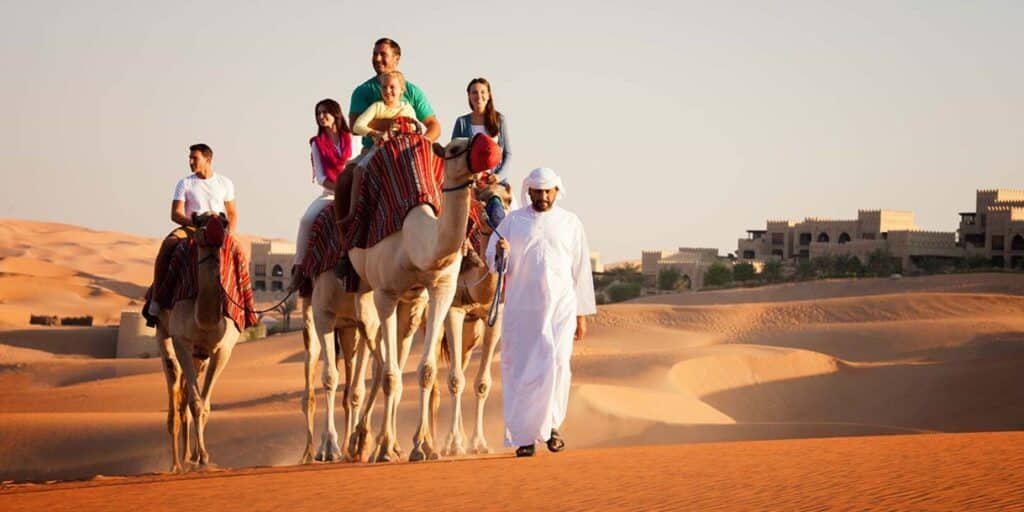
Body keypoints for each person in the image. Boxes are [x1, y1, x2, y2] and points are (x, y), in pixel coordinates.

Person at [484, 167, 596, 457]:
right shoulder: (512, 222)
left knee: (558, 365)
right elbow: (493, 262)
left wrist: (581, 315)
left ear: (557, 192)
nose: (543, 196)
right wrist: (501, 252)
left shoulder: (571, 223)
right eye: (538, 191)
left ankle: (553, 428)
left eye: (548, 191)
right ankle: (524, 437)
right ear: (529, 191)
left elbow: (581, 271)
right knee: (522, 371)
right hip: (522, 310)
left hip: (561, 308)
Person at [146, 143, 237, 323]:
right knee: (168, 245)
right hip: (191, 227)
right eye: (190, 158)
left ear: (207, 159)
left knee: (239, 254)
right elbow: (176, 213)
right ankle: (156, 299)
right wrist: (196, 221)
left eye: (194, 158)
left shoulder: (224, 183)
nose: (190, 162)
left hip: (218, 228)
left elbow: (232, 213)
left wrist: (230, 234)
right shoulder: (185, 183)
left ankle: (244, 307)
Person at [291, 99, 352, 286]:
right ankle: (299, 270)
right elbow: (320, 176)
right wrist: (339, 189)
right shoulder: (317, 143)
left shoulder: (353, 139)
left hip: (354, 189)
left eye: (325, 112)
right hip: (330, 193)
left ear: (336, 114)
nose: (321, 117)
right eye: (318, 114)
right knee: (306, 221)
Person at [451, 77, 513, 228]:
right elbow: (454, 152)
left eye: (482, 92)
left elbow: (508, 153)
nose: (479, 96)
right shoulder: (462, 122)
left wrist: (498, 175)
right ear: (469, 96)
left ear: (489, 95)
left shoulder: (499, 120)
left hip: (494, 182)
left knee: (497, 213)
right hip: (470, 181)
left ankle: (498, 246)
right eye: (474, 92)